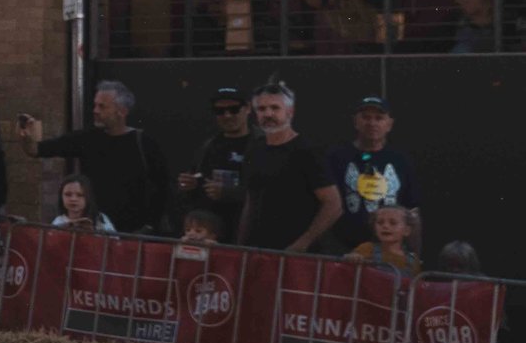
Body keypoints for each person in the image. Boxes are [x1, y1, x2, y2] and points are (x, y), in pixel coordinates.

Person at [13, 81, 170, 235]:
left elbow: (163, 187)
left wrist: (150, 226)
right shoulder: (87, 139)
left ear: (121, 111)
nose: (95, 110)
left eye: (102, 106)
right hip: (94, 233)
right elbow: (37, 150)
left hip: (133, 234)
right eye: (95, 105)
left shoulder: (144, 144)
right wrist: (26, 136)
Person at [239, 79, 340, 253]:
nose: (268, 114)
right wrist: (240, 244)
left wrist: (302, 244)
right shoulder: (255, 150)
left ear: (290, 112)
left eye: (275, 108)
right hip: (256, 251)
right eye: (261, 109)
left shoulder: (308, 151)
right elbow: (250, 201)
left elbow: (334, 205)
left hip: (296, 257)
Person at [325, 96, 419, 252]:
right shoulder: (336, 157)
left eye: (379, 118)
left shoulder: (401, 161)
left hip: (388, 253)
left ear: (389, 124)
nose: (372, 123)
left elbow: (412, 211)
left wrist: (415, 254)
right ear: (355, 121)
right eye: (366, 117)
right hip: (342, 249)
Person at [176, 86, 255, 243]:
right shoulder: (209, 146)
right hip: (210, 235)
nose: (227, 115)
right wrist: (189, 186)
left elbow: (271, 192)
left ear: (247, 109)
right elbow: (196, 182)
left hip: (247, 233)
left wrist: (230, 193)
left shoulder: (261, 144)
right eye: (220, 111)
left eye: (234, 109)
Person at [349, 206, 421, 277]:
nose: (385, 226)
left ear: (407, 230)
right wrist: (353, 258)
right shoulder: (367, 248)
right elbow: (346, 262)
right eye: (380, 223)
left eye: (393, 223)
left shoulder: (413, 261)